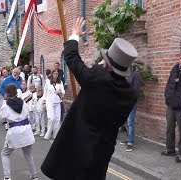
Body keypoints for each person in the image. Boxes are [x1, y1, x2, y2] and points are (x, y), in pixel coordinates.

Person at [41, 17, 138, 179]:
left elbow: (71, 57)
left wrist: (74, 35)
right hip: (102, 149)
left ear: (106, 65)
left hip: (78, 146)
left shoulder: (96, 78)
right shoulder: (130, 94)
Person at [0, 83, 38, 180]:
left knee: (5, 154)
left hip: (14, 132)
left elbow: (1, 119)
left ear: (7, 94)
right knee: (28, 154)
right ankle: (34, 176)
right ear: (16, 92)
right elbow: (27, 113)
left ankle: (7, 177)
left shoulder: (5, 106)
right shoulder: (23, 103)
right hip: (26, 130)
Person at [162, 51, 181, 163]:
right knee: (169, 128)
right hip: (170, 105)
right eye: (180, 58)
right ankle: (170, 149)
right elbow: (169, 83)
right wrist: (167, 96)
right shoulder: (175, 68)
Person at [120, 67, 141, 152]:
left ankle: (130, 143)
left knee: (130, 122)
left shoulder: (135, 75)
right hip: (123, 102)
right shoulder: (123, 74)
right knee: (125, 122)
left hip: (131, 102)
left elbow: (136, 90)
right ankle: (128, 138)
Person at [43, 70, 65, 140]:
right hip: (49, 102)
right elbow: (45, 92)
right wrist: (44, 102)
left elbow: (63, 92)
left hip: (58, 102)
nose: (56, 75)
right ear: (52, 74)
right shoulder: (48, 82)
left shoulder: (60, 82)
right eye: (54, 73)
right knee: (51, 118)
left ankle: (55, 135)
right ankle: (48, 135)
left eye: (57, 73)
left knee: (57, 119)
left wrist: (59, 91)